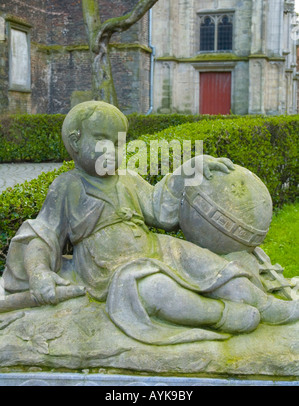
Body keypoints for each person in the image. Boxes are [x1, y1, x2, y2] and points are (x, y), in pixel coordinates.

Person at [3, 101, 299, 345]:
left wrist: (190, 169)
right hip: (111, 270)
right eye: (102, 139)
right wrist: (39, 272)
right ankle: (221, 314)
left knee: (211, 265)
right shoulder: (66, 186)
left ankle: (266, 306)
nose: (113, 149)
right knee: (156, 290)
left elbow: (159, 206)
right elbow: (41, 236)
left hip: (155, 247)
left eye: (118, 142)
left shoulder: (128, 179)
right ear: (76, 141)